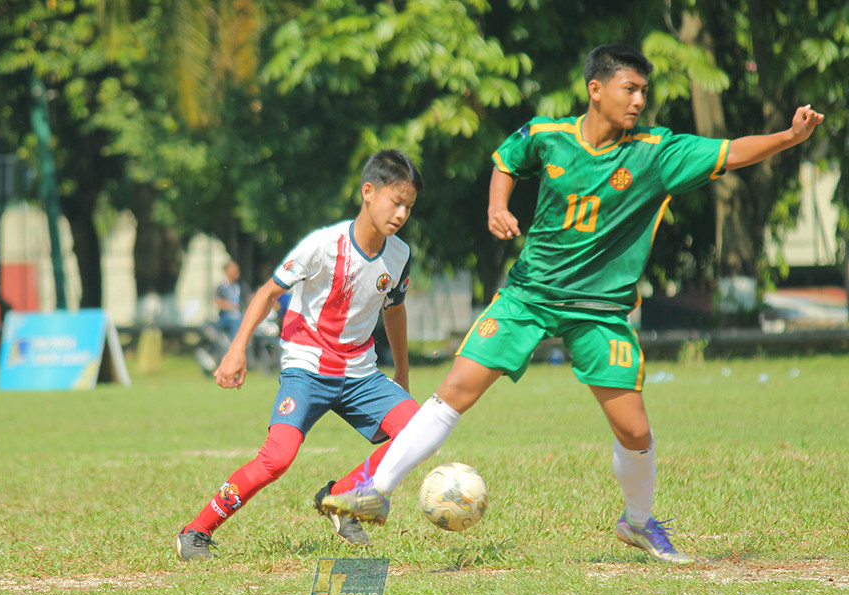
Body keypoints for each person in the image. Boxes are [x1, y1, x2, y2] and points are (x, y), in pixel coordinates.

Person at [324, 44, 825, 565]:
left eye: (643, 92)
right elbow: (505, 159)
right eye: (628, 89)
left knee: (633, 429)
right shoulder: (549, 135)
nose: (638, 100)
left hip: (599, 310)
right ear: (596, 90)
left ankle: (637, 523)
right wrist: (498, 206)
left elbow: (730, 150)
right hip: (528, 296)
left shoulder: (655, 152)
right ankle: (375, 490)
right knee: (455, 390)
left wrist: (790, 138)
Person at [175, 149, 424, 559]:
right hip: (307, 367)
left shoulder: (399, 256)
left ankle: (341, 497)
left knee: (418, 431)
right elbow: (268, 292)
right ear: (367, 192)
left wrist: (402, 372)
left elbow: (394, 311)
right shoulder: (323, 245)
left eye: (408, 207)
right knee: (277, 460)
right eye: (395, 202)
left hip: (360, 372)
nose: (401, 214)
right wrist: (235, 350)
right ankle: (195, 531)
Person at [214, 260, 246, 341]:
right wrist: (231, 306)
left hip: (239, 315)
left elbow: (249, 296)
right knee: (237, 323)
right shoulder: (222, 287)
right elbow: (218, 302)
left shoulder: (240, 286)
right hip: (226, 316)